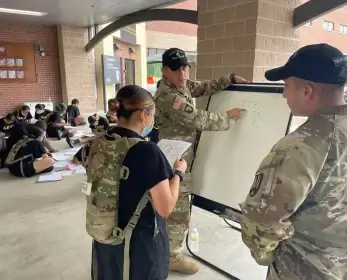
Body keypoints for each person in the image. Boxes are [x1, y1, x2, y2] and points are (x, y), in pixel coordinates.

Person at [239, 43, 347, 280]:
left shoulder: (300, 146)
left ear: (307, 90)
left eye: (286, 86)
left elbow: (261, 226)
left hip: (303, 271)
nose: (284, 94)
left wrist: (266, 257)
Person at [76, 85, 187, 280]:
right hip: (138, 245)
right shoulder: (147, 151)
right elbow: (165, 207)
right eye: (152, 115)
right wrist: (178, 173)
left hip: (105, 233)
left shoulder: (98, 142)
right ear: (144, 115)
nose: (153, 120)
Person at [154, 47, 248, 274]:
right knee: (177, 211)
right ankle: (171, 256)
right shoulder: (169, 96)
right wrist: (229, 117)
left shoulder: (180, 85)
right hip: (174, 161)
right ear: (165, 70)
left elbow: (202, 87)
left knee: (176, 207)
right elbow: (198, 119)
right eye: (177, 70)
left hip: (182, 158)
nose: (183, 74)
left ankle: (165, 250)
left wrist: (229, 79)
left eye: (185, 68)